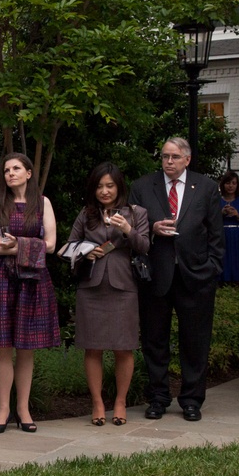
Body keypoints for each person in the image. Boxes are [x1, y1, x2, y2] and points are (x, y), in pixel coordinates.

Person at [129, 137, 222, 422]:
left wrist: (211, 268)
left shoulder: (205, 187)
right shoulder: (143, 187)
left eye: (174, 157)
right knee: (155, 340)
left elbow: (216, 234)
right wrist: (152, 229)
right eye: (165, 156)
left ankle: (192, 400)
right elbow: (130, 231)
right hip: (155, 276)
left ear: (187, 159)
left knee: (195, 342)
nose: (168, 162)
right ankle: (158, 397)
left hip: (196, 277)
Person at [0, 153, 60, 433]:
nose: (10, 173)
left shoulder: (42, 203)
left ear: (29, 173)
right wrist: (17, 248)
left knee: (27, 349)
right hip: (0, 280)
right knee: (2, 349)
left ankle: (23, 408)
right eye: (6, 169)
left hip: (32, 281)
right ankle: (3, 409)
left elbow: (52, 244)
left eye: (16, 168)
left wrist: (16, 245)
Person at [65, 163, 150, 426]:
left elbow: (145, 246)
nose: (105, 191)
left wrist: (127, 228)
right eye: (100, 186)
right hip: (91, 288)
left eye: (110, 186)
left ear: (119, 187)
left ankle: (121, 403)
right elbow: (69, 247)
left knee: (124, 347)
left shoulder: (136, 213)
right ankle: (98, 403)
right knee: (93, 347)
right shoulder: (86, 214)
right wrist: (85, 252)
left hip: (123, 287)